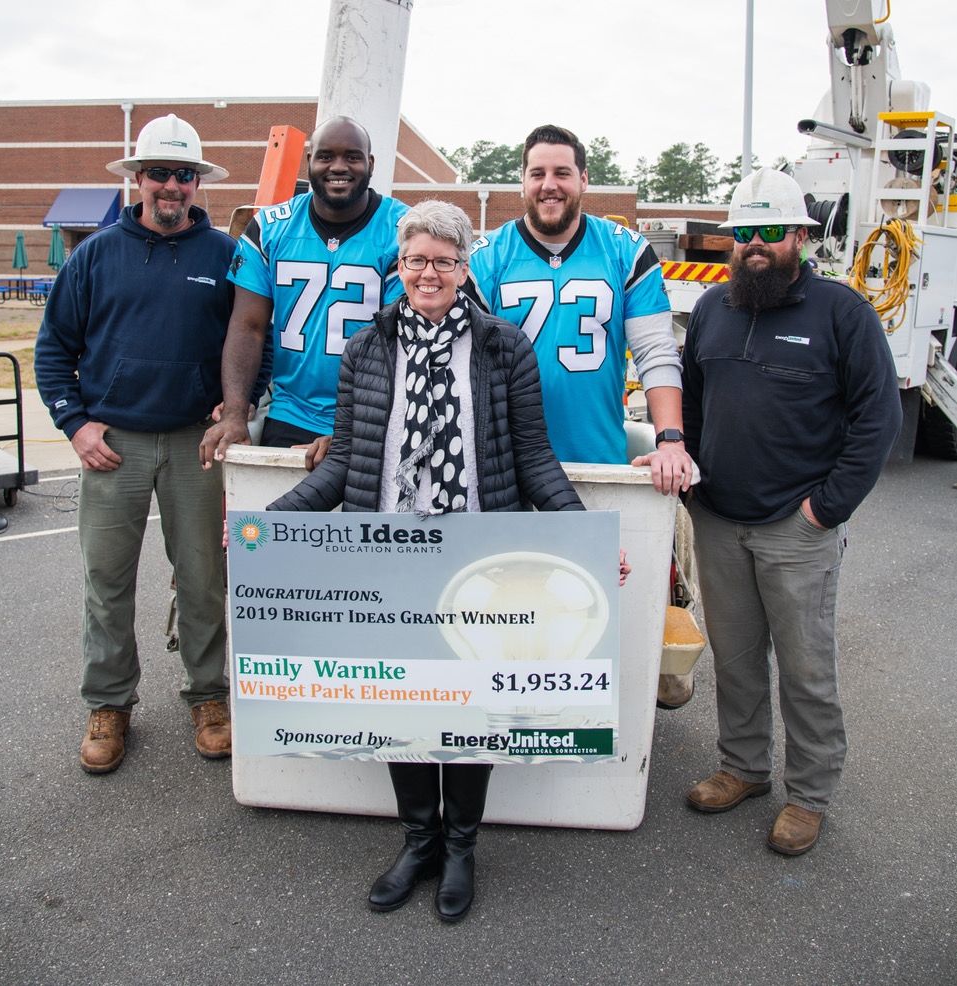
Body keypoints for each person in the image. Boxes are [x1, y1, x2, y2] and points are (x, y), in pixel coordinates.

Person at [267, 200, 625, 921]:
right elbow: (343, 467)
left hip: (477, 563)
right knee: (402, 702)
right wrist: (267, 528)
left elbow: (532, 458)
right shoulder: (368, 349)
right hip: (390, 560)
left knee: (470, 712)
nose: (427, 272)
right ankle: (418, 841)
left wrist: (588, 542)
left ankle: (461, 846)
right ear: (398, 267)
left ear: (465, 268)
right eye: (414, 259)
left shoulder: (502, 347)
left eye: (442, 260)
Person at [35, 114, 267, 773]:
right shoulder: (96, 255)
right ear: (137, 179)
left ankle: (207, 696)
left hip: (197, 443)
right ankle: (109, 704)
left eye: (184, 174)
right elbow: (53, 352)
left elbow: (257, 341)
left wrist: (237, 403)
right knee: (105, 581)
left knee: (203, 578)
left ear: (198, 184)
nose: (171, 185)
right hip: (115, 445)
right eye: (160, 173)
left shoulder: (227, 256)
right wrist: (75, 426)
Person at [681, 168, 902, 855]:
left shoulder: (841, 313)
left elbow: (878, 417)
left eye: (769, 232)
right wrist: (689, 477)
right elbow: (689, 401)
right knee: (737, 657)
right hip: (718, 517)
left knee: (805, 667)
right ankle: (743, 767)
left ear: (799, 237)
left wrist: (824, 508)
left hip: (794, 525)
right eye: (742, 232)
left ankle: (808, 793)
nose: (753, 245)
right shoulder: (714, 310)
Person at [466, 123, 696, 707]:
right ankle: (518, 724)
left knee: (593, 608)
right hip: (507, 465)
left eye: (562, 172)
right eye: (538, 173)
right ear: (522, 182)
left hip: (593, 460)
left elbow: (656, 353)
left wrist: (670, 438)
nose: (550, 184)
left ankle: (603, 727)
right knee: (512, 615)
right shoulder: (489, 256)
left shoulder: (623, 250)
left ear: (584, 179)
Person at [199, 115, 408, 472]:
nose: (338, 167)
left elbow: (401, 342)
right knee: (284, 527)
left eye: (352, 157)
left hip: (376, 419)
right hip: (291, 411)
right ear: (309, 161)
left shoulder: (403, 229)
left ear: (370, 164)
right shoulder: (268, 227)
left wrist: (354, 427)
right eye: (325, 156)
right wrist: (234, 413)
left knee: (366, 528)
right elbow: (248, 325)